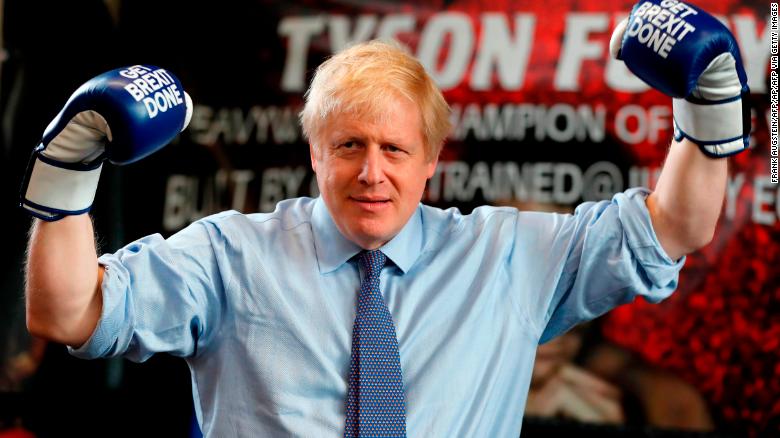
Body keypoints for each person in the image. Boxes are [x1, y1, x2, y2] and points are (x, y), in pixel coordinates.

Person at [23, 1, 750, 436]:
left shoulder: (506, 256)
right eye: (349, 146)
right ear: (314, 151)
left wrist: (710, 106)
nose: (373, 172)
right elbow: (69, 312)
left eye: (395, 149)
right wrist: (68, 170)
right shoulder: (229, 255)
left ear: (431, 158)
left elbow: (673, 226)